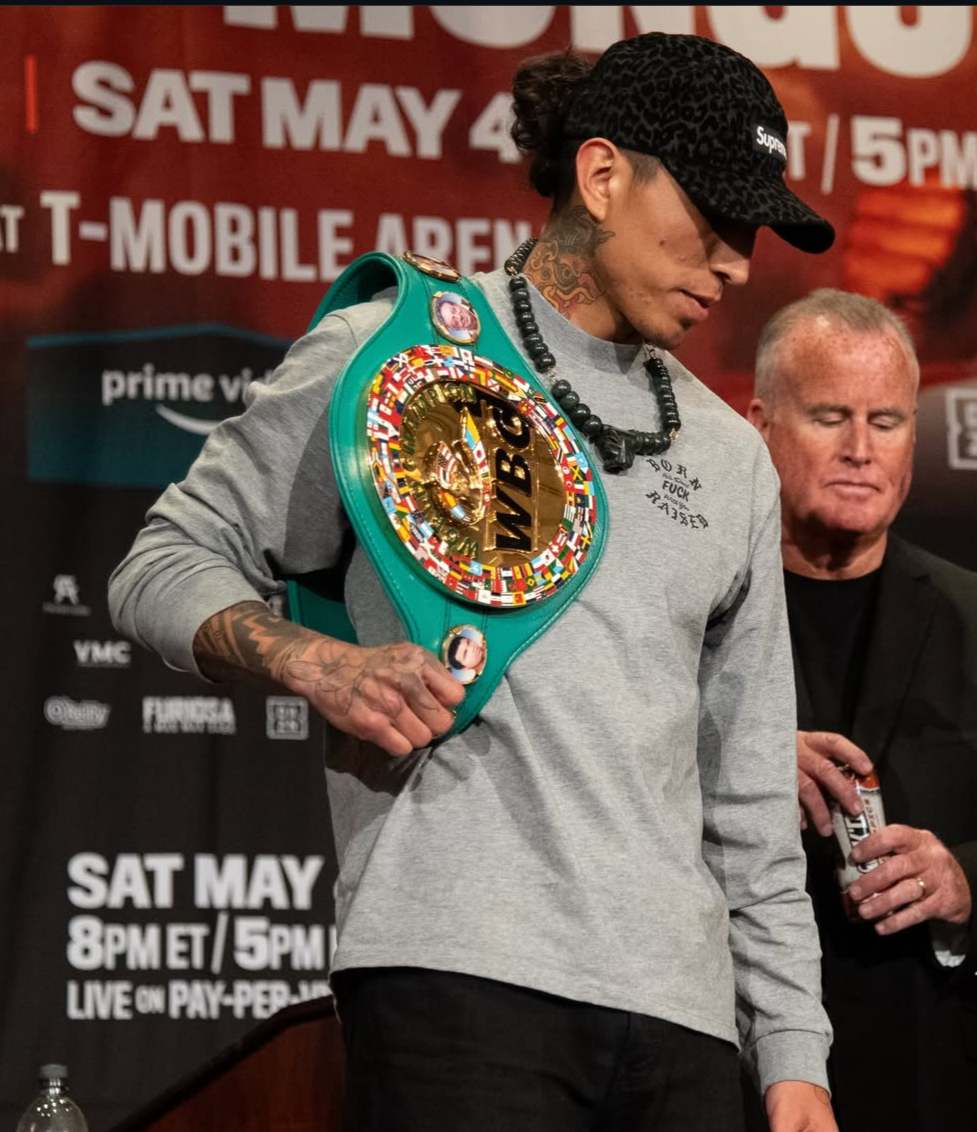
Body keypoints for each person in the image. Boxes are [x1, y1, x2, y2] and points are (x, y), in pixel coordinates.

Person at [109, 32, 840, 1132]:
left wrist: (791, 1063)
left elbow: (744, 793)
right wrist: (318, 661)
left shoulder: (730, 457)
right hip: (459, 978)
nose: (738, 261)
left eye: (753, 230)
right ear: (600, 176)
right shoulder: (396, 353)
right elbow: (161, 560)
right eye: (714, 216)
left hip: (682, 1024)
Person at [742, 287, 977, 1132]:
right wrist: (739, 755)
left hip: (931, 1071)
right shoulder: (694, 620)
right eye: (829, 416)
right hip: (729, 1073)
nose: (857, 450)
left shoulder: (970, 617)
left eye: (885, 422)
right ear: (759, 425)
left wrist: (962, 882)